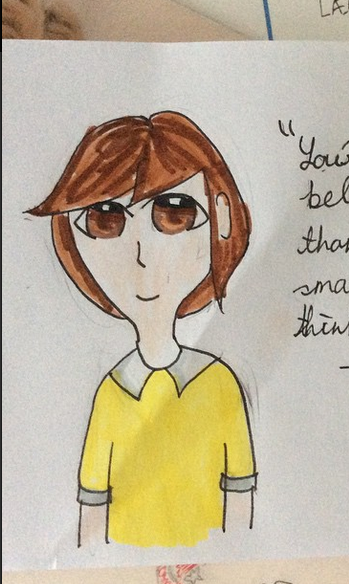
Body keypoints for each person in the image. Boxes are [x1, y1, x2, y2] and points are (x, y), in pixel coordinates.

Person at [29, 110, 257, 548]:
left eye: (174, 212)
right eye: (105, 217)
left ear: (222, 217)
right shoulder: (112, 394)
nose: (140, 252)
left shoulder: (220, 385)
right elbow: (91, 517)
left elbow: (242, 506)